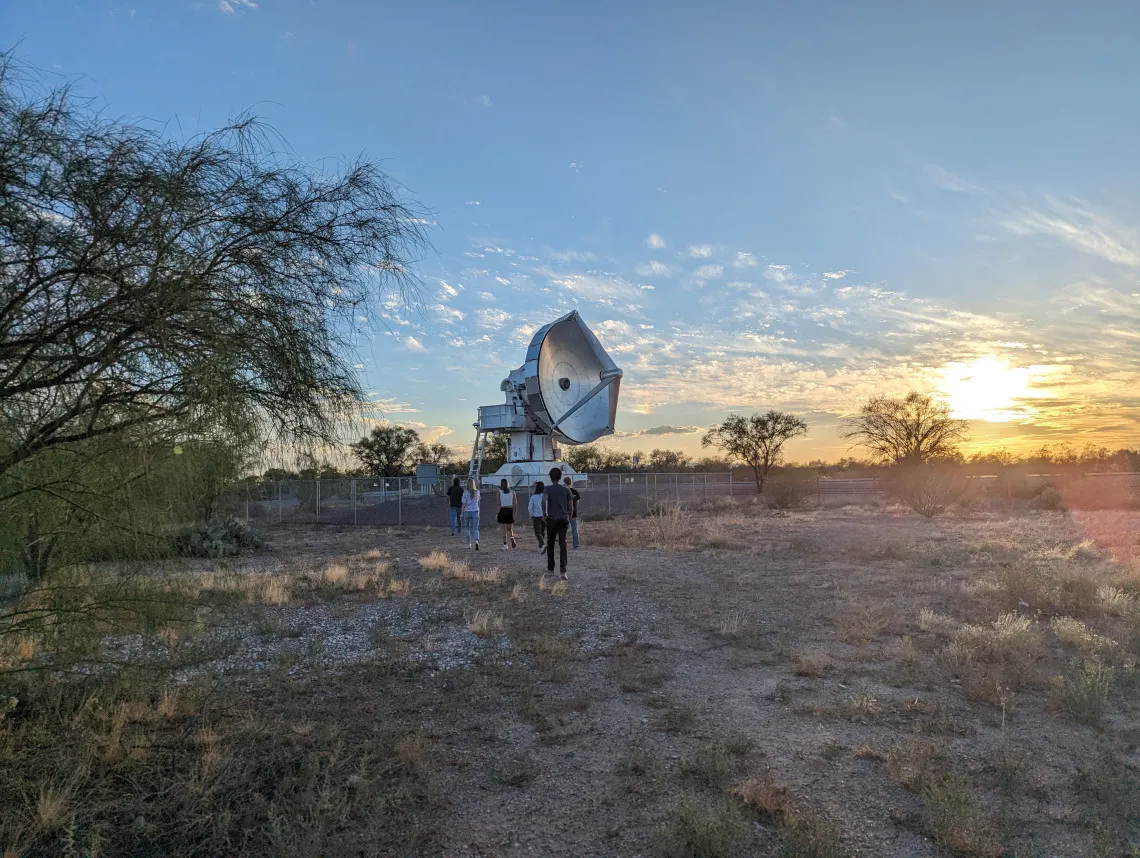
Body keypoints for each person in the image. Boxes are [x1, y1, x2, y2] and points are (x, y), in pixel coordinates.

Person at [542, 467, 572, 580]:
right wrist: (568, 517)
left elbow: (544, 500)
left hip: (552, 518)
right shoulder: (566, 490)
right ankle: (563, 571)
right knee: (563, 544)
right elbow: (571, 506)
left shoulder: (547, 489)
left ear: (550, 477)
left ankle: (550, 570)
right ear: (560, 477)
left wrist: (544, 514)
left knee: (550, 544)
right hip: (563, 518)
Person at [497, 478, 518, 550]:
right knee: (509, 528)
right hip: (510, 510)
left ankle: (505, 545)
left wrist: (496, 513)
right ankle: (512, 538)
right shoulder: (513, 492)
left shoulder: (499, 492)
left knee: (503, 529)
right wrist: (515, 513)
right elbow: (515, 503)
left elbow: (498, 504)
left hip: (503, 510)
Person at [461, 478, 481, 550]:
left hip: (467, 511)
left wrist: (461, 513)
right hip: (475, 511)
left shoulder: (465, 493)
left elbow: (464, 504)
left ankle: (468, 544)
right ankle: (476, 541)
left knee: (467, 528)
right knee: (475, 528)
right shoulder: (477, 492)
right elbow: (478, 500)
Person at [563, 476, 581, 549]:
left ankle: (563, 544)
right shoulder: (575, 492)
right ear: (571, 483)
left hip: (565, 513)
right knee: (574, 530)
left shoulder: (563, 492)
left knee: (563, 530)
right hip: (574, 513)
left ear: (565, 483)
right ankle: (576, 544)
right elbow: (577, 502)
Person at [528, 481, 546, 552]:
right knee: (543, 532)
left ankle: (542, 543)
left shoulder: (533, 497)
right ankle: (541, 547)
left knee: (537, 533)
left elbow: (529, 508)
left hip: (536, 516)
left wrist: (531, 515)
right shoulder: (545, 496)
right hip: (544, 516)